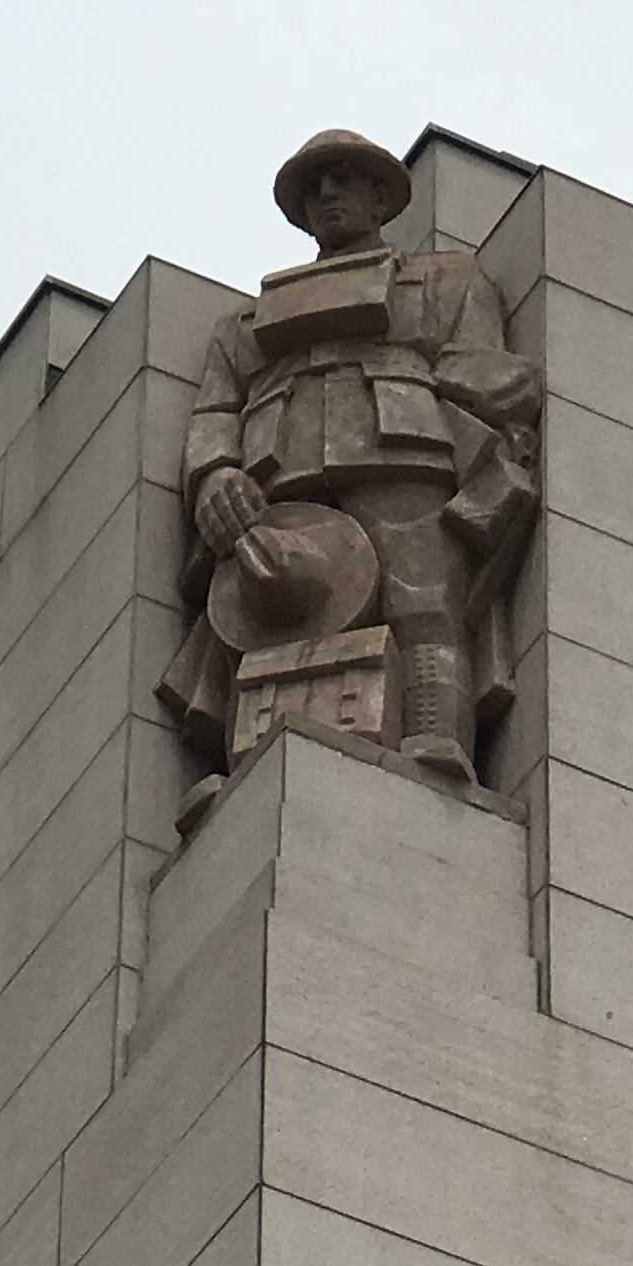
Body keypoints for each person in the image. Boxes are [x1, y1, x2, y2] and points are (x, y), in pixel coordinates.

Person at [159, 129, 542, 800]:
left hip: (405, 454)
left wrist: (471, 431)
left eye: (342, 177)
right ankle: (250, 768)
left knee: (423, 600)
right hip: (277, 478)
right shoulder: (243, 325)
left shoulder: (447, 280)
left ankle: (436, 739)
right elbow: (215, 412)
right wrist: (215, 473)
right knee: (265, 615)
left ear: (380, 197)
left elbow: (491, 375)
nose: (327, 193)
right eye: (313, 186)